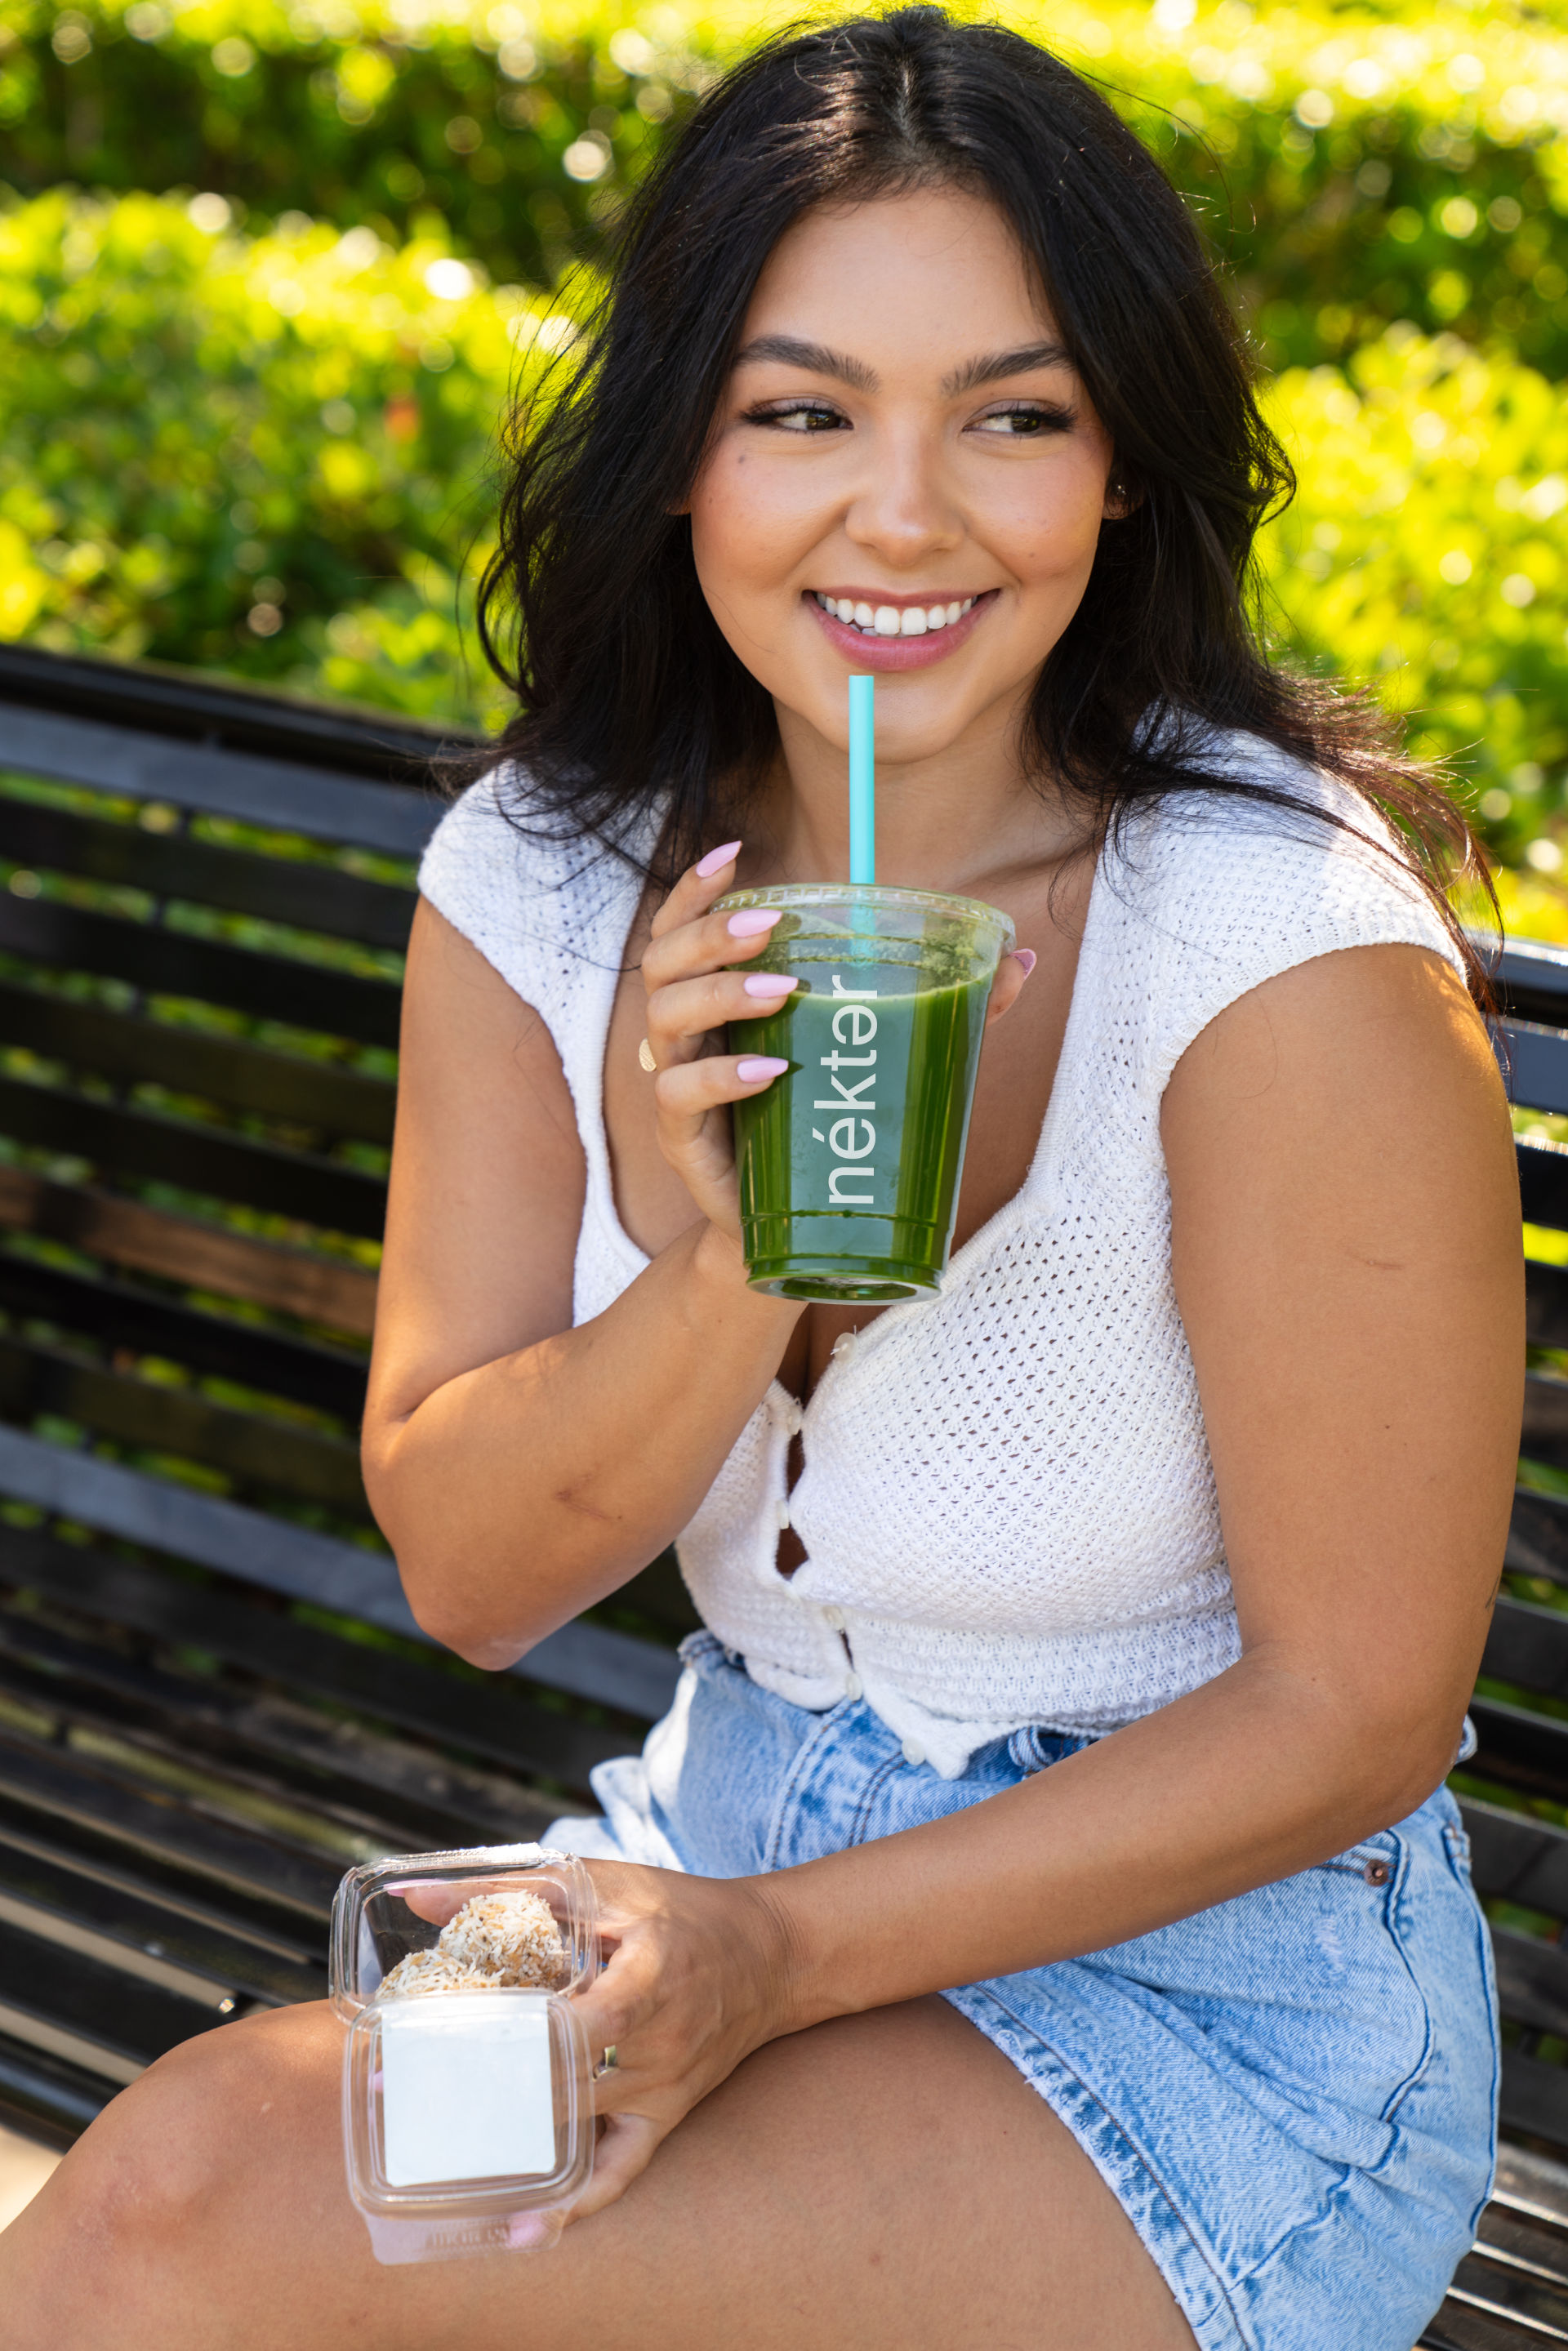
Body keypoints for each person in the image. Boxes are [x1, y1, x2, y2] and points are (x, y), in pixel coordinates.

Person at [2, 11, 1521, 2349]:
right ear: (684, 451)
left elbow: (1360, 1711)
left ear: (1118, 469)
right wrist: (714, 1260)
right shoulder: (545, 873)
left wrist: (785, 1957)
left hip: (1214, 2002)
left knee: (198, 2211)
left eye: (1011, 415)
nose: (900, 515)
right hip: (721, 1840)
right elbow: (477, 1568)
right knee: (168, 2213)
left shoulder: (1271, 943)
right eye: (802, 411)